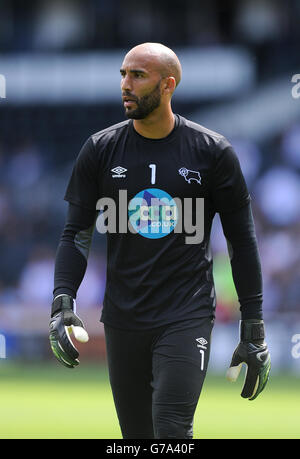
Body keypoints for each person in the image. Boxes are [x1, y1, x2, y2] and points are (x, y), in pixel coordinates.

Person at [49, 42, 271, 439]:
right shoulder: (100, 150)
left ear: (168, 85)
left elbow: (243, 240)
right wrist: (62, 301)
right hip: (122, 317)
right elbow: (76, 233)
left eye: (138, 75)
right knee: (137, 437)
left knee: (171, 429)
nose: (125, 85)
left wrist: (253, 324)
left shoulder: (213, 152)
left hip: (186, 315)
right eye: (123, 74)